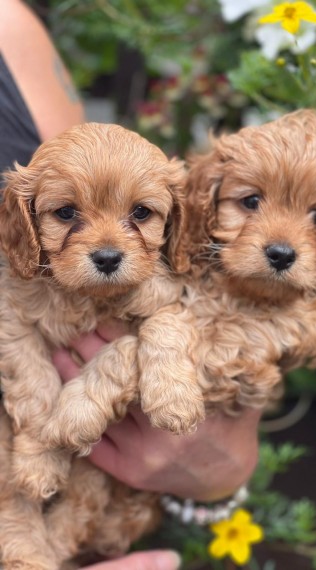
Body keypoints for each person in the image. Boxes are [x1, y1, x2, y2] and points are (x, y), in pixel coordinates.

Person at [0, 1, 261, 568]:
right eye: (67, 215)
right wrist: (43, 428)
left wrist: (222, 475)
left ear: (173, 223)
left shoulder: (9, 34)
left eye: (141, 215)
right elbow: (14, 330)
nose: (108, 247)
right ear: (19, 220)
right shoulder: (20, 271)